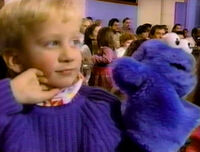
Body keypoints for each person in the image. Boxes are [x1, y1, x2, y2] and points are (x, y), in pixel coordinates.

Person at [0, 0, 198, 152]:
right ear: (15, 59)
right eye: (52, 43)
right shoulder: (8, 113)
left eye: (75, 42)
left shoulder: (102, 104)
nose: (69, 55)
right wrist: (9, 95)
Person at [89, 27, 117, 92]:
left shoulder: (106, 49)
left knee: (103, 89)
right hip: (104, 72)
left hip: (103, 73)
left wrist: (95, 57)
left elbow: (107, 59)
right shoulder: (109, 49)